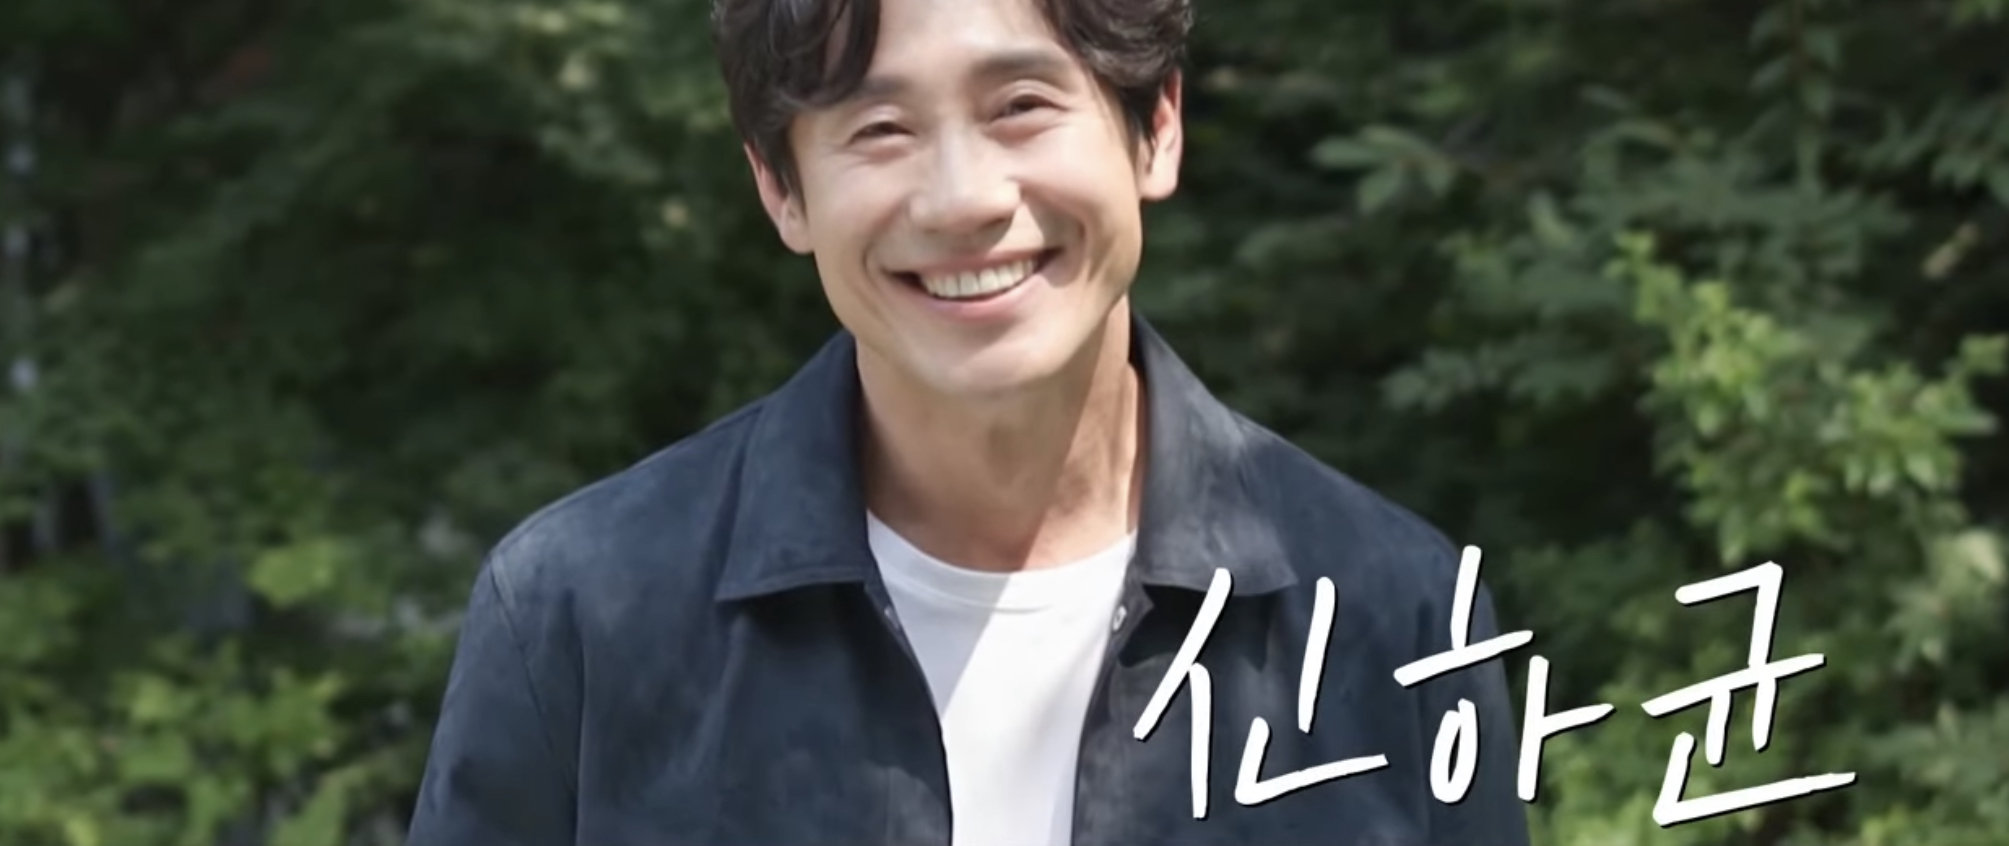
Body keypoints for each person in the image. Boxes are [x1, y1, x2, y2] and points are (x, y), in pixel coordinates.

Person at [406, 0, 1533, 843]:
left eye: (1020, 107)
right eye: (879, 128)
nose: (963, 199)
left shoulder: (1396, 614)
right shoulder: (576, 617)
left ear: (1156, 128)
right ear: (780, 190)